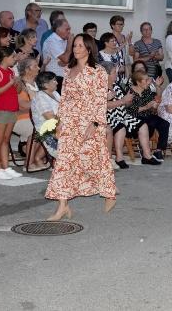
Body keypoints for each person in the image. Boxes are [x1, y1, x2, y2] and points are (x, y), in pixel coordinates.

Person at [45, 34, 116, 221]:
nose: (75, 49)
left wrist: (95, 123)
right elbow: (64, 99)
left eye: (80, 46)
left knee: (93, 161)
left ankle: (109, 192)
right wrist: (59, 123)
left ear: (89, 49)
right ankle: (63, 206)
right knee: (64, 163)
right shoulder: (69, 70)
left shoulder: (98, 71)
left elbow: (100, 100)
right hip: (70, 122)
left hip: (89, 122)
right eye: (74, 45)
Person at [99, 62, 160, 167]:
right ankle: (119, 158)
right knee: (120, 127)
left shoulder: (116, 86)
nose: (116, 74)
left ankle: (147, 156)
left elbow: (126, 103)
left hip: (123, 115)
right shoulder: (100, 88)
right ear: (106, 74)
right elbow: (103, 106)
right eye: (114, 72)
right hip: (109, 117)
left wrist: (128, 100)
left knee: (143, 125)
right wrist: (123, 101)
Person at [0, 47, 21, 180]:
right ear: (5, 58)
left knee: (6, 139)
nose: (15, 59)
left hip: (12, 109)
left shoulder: (10, 71)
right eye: (13, 57)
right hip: (1, 110)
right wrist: (10, 83)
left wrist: (17, 83)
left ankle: (6, 167)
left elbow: (17, 91)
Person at [126, 70, 169, 161]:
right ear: (138, 82)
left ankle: (159, 150)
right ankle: (144, 147)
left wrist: (155, 104)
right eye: (146, 80)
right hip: (135, 118)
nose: (148, 82)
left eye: (148, 79)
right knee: (150, 123)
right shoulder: (130, 92)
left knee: (165, 124)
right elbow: (129, 110)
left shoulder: (147, 90)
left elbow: (157, 97)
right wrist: (146, 107)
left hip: (148, 116)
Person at [14, 57, 48, 170]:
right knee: (40, 129)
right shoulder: (19, 84)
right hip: (20, 118)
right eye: (35, 66)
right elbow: (22, 105)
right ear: (27, 70)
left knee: (53, 126)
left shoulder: (36, 84)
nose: (38, 68)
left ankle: (37, 157)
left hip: (33, 117)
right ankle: (29, 162)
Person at [31, 72, 61, 158]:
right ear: (45, 84)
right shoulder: (40, 97)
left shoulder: (55, 93)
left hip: (59, 126)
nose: (57, 83)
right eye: (54, 81)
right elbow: (50, 117)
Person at [41, 18, 72, 92]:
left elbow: (67, 60)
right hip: (54, 79)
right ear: (58, 30)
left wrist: (65, 61)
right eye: (67, 29)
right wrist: (70, 43)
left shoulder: (64, 39)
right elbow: (66, 59)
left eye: (69, 29)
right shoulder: (52, 41)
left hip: (64, 77)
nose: (69, 32)